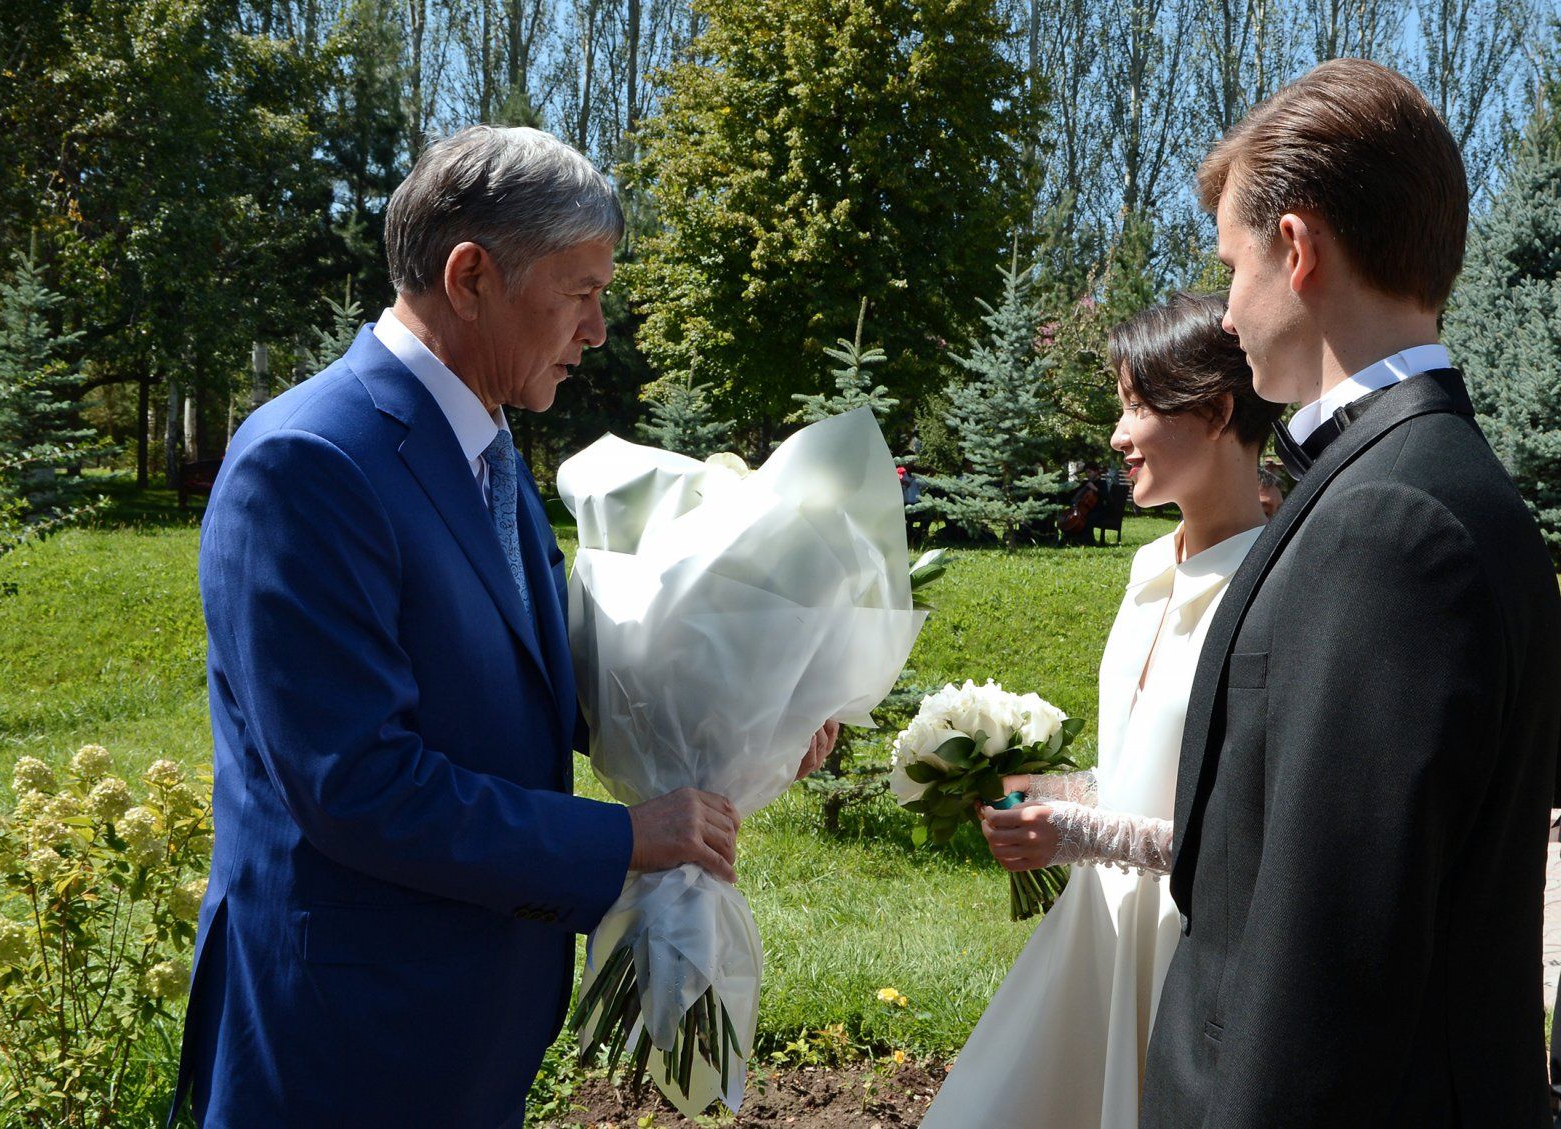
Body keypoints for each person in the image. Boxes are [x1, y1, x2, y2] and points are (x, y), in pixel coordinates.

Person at [172, 126, 835, 1128]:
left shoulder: (479, 448)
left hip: (458, 1023)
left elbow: (543, 676)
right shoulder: (309, 462)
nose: (599, 328)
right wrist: (620, 839)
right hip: (344, 1041)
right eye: (581, 291)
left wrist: (764, 716)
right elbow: (356, 784)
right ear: (471, 275)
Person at [1141, 60, 1561, 1127]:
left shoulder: (1390, 525)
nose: (1227, 309)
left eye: (1232, 263)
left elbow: (1322, 969)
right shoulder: (1423, 486)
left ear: (1296, 248)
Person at [921, 291, 1277, 1129]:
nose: (1118, 434)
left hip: (1185, 959)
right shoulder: (1147, 568)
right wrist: (1043, 789)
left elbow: (1244, 833)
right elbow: (1138, 776)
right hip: (1094, 940)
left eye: (1139, 404)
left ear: (1219, 410)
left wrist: (1076, 834)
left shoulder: (1272, 589)